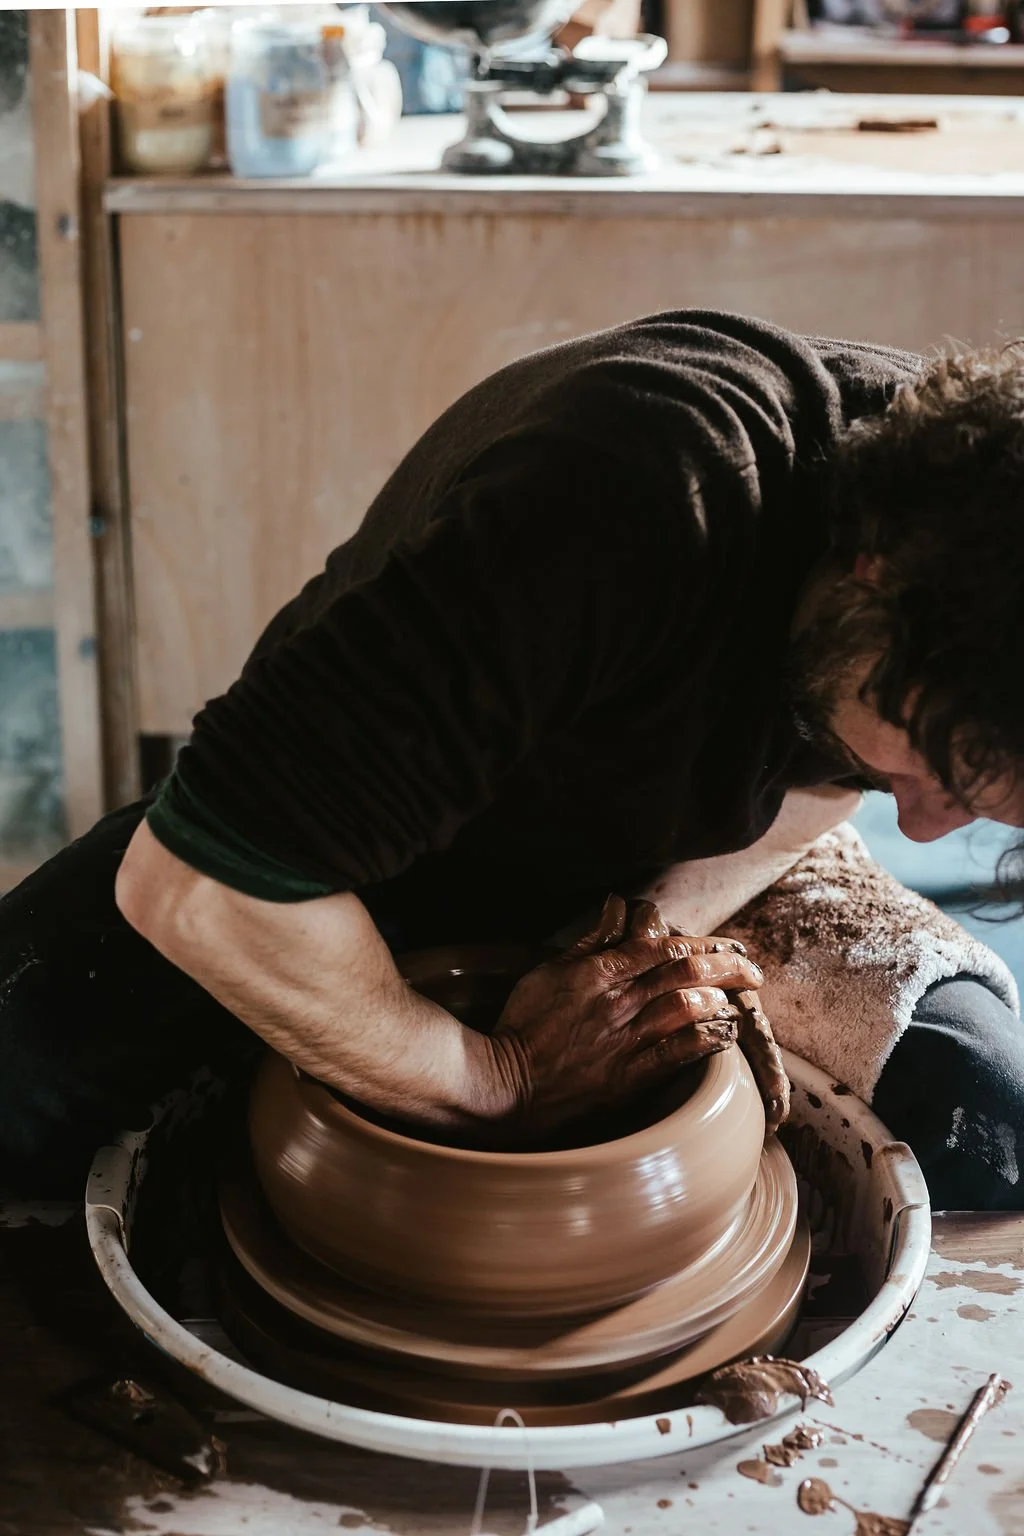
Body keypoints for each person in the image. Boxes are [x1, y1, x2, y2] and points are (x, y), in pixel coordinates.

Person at [1, 311, 1021, 1207]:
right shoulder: (627, 500)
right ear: (872, 575)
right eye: (933, 763)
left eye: (980, 804)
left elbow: (817, 791)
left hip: (694, 856)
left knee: (991, 1127)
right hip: (359, 856)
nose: (924, 825)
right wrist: (501, 1079)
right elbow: (195, 884)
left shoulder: (959, 566)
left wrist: (634, 953)